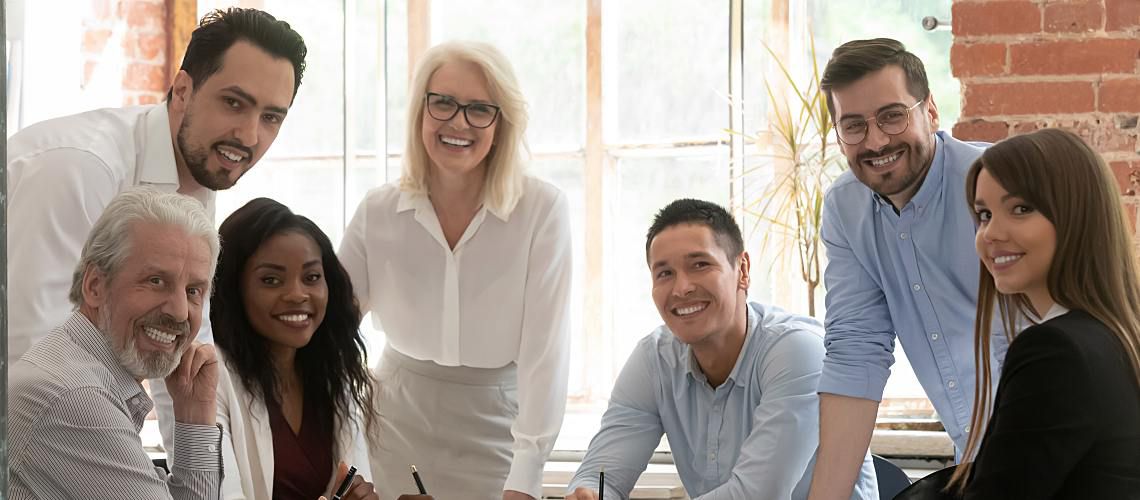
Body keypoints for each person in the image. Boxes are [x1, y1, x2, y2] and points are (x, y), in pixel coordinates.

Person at [338, 40, 573, 500]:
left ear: (501, 122)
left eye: (479, 109)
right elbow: (330, 336)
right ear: (421, 110)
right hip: (392, 426)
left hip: (499, 433)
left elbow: (547, 355)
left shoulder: (543, 210)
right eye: (442, 102)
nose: (457, 123)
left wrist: (527, 475)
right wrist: (347, 448)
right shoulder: (378, 210)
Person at [6, 6, 307, 363]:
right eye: (233, 103)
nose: (249, 135)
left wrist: (198, 417)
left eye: (270, 117)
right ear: (181, 91)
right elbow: (32, 357)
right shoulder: (83, 168)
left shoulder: (198, 176)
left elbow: (186, 344)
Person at [565, 199, 878, 500]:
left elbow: (759, 494)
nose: (681, 288)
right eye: (665, 273)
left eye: (700, 265)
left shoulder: (797, 351)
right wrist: (589, 491)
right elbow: (603, 472)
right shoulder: (654, 359)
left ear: (742, 270)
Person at [807, 38, 1006, 500]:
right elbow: (856, 351)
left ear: (930, 111)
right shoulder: (845, 208)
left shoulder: (994, 184)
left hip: (1063, 454)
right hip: (975, 463)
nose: (876, 141)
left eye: (892, 116)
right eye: (853, 126)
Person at [942, 128, 1140, 498]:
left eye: (1021, 209)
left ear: (1076, 215)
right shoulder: (1117, 336)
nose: (990, 234)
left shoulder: (1056, 352)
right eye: (984, 214)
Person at [7, 188, 223, 499]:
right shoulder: (73, 396)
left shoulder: (82, 374)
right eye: (156, 281)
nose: (178, 311)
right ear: (95, 286)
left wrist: (196, 414)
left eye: (193, 291)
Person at [210, 198, 389, 500]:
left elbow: (356, 477)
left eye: (311, 278)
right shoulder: (212, 373)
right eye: (271, 280)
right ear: (233, 288)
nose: (297, 294)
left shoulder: (334, 375)